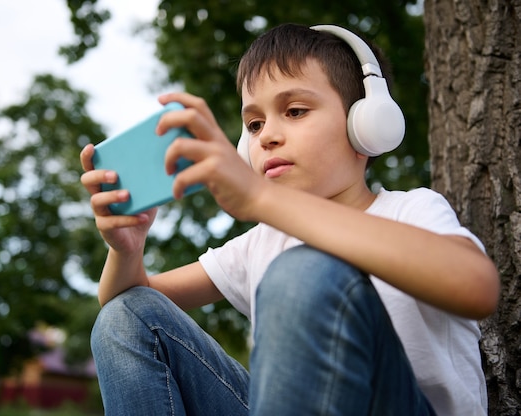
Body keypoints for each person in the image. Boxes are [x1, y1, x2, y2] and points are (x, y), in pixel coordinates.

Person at [79, 23, 499, 415]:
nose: (267, 136)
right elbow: (129, 303)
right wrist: (127, 251)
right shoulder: (263, 242)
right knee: (123, 317)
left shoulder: (412, 210)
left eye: (295, 111)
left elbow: (478, 287)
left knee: (302, 273)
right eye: (254, 123)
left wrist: (260, 197)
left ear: (367, 126)